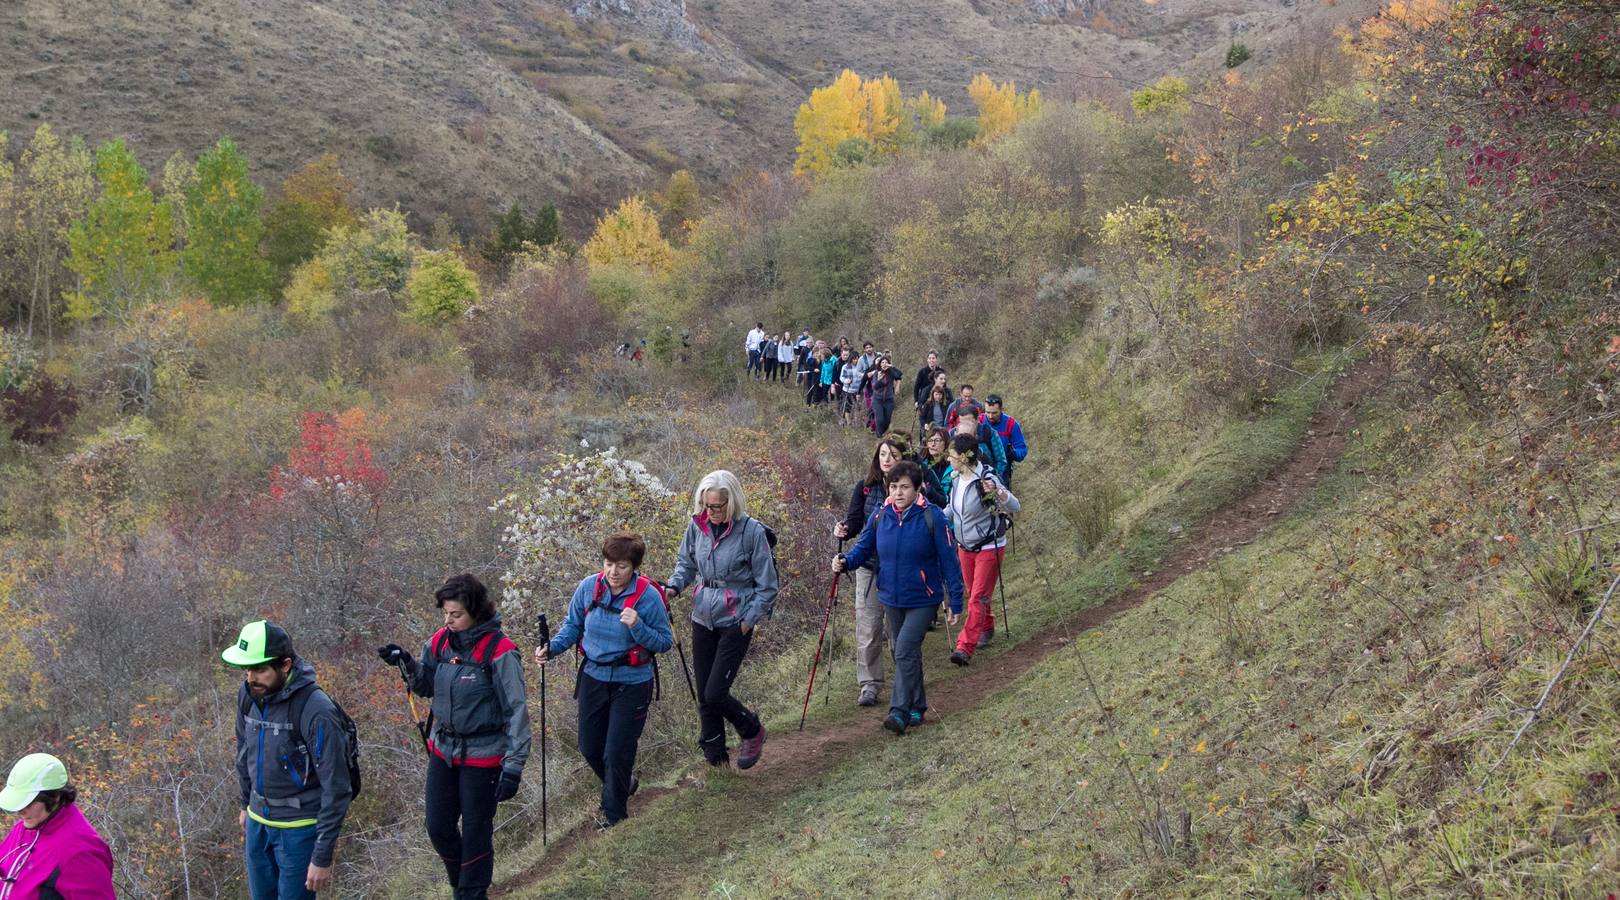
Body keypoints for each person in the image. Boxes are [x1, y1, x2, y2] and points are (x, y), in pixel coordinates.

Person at [377, 575, 530, 900]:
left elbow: (516, 711)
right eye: (445, 613)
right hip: (443, 750)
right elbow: (425, 686)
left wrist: (513, 766)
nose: (448, 621)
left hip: (485, 756)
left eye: (455, 614)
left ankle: (471, 893)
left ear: (475, 611)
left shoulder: (501, 652)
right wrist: (404, 661)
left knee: (476, 831)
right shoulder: (438, 643)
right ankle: (463, 885)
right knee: (438, 827)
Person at [536, 533, 674, 830]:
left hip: (633, 682)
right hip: (593, 677)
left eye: (621, 566)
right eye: (609, 564)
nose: (613, 572)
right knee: (589, 747)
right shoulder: (589, 587)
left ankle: (615, 817)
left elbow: (664, 642)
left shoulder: (647, 597)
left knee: (617, 752)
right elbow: (572, 626)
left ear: (634, 567)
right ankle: (624, 784)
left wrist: (637, 625)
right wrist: (552, 649)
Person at [223, 620, 355, 899]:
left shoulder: (316, 710)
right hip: (258, 823)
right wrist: (246, 804)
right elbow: (244, 750)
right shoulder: (248, 695)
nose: (250, 678)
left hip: (299, 830)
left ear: (285, 665)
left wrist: (321, 856)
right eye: (247, 669)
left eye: (259, 669)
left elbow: (337, 786)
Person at [833, 461, 962, 735]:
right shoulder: (880, 516)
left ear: (917, 489)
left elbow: (949, 561)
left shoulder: (933, 517)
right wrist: (845, 561)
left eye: (905, 487)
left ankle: (898, 712)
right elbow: (863, 547)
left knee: (903, 650)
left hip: (924, 599)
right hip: (891, 597)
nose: (899, 492)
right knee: (906, 653)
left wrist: (955, 600)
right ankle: (918, 705)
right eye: (894, 486)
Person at [665, 471, 778, 768]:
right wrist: (673, 587)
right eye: (706, 506)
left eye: (717, 506)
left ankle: (751, 729)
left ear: (733, 501)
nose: (711, 512)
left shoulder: (751, 532)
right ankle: (716, 762)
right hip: (702, 616)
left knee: (715, 692)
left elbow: (767, 585)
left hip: (735, 619)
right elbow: (686, 564)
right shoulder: (696, 525)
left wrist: (748, 620)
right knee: (705, 695)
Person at [832, 436, 907, 706]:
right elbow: (855, 523)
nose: (887, 459)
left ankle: (904, 680)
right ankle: (869, 684)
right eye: (883, 454)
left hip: (900, 568)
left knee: (897, 629)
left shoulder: (909, 487)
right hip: (868, 566)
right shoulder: (864, 488)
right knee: (868, 626)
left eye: (894, 455)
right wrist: (843, 529)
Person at [944, 434, 1020, 663]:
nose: (948, 459)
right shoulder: (956, 479)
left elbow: (1015, 505)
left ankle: (964, 647)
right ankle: (986, 626)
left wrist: (998, 492)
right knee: (975, 593)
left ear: (965, 457)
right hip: (965, 547)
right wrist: (932, 516)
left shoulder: (987, 478)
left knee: (977, 597)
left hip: (989, 545)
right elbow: (951, 509)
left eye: (952, 455)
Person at [0, 753, 115, 898]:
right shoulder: (27, 827)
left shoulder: (80, 851)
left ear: (54, 796)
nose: (20, 811)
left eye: (28, 802)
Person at [954, 402, 1010, 483]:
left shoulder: (989, 433)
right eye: (962, 422)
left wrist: (992, 478)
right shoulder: (953, 434)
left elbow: (1001, 461)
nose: (966, 425)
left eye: (969, 422)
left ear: (977, 420)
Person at [984, 395, 1029, 488]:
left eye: (994, 413)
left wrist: (1013, 453)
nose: (990, 416)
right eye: (987, 412)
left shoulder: (1011, 424)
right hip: (981, 470)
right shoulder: (979, 421)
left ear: (1001, 409)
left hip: (1003, 472)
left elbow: (1022, 449)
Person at [919, 425, 953, 506]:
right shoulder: (923, 466)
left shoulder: (953, 466)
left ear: (946, 443)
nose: (933, 444)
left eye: (937, 440)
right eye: (930, 440)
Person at [868, 355, 900, 437]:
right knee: (880, 420)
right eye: (882, 362)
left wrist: (892, 367)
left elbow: (899, 375)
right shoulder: (876, 373)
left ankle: (884, 435)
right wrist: (879, 380)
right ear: (880, 364)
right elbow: (874, 386)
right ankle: (879, 437)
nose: (884, 364)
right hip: (877, 400)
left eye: (886, 362)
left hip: (889, 400)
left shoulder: (891, 372)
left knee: (887, 420)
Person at [838, 349, 862, 426]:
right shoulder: (845, 367)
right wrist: (845, 380)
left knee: (857, 407)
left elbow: (864, 377)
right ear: (851, 359)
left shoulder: (861, 367)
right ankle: (849, 423)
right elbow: (841, 377)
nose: (856, 360)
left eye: (857, 358)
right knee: (847, 407)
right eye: (854, 359)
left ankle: (856, 422)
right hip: (847, 390)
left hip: (858, 391)